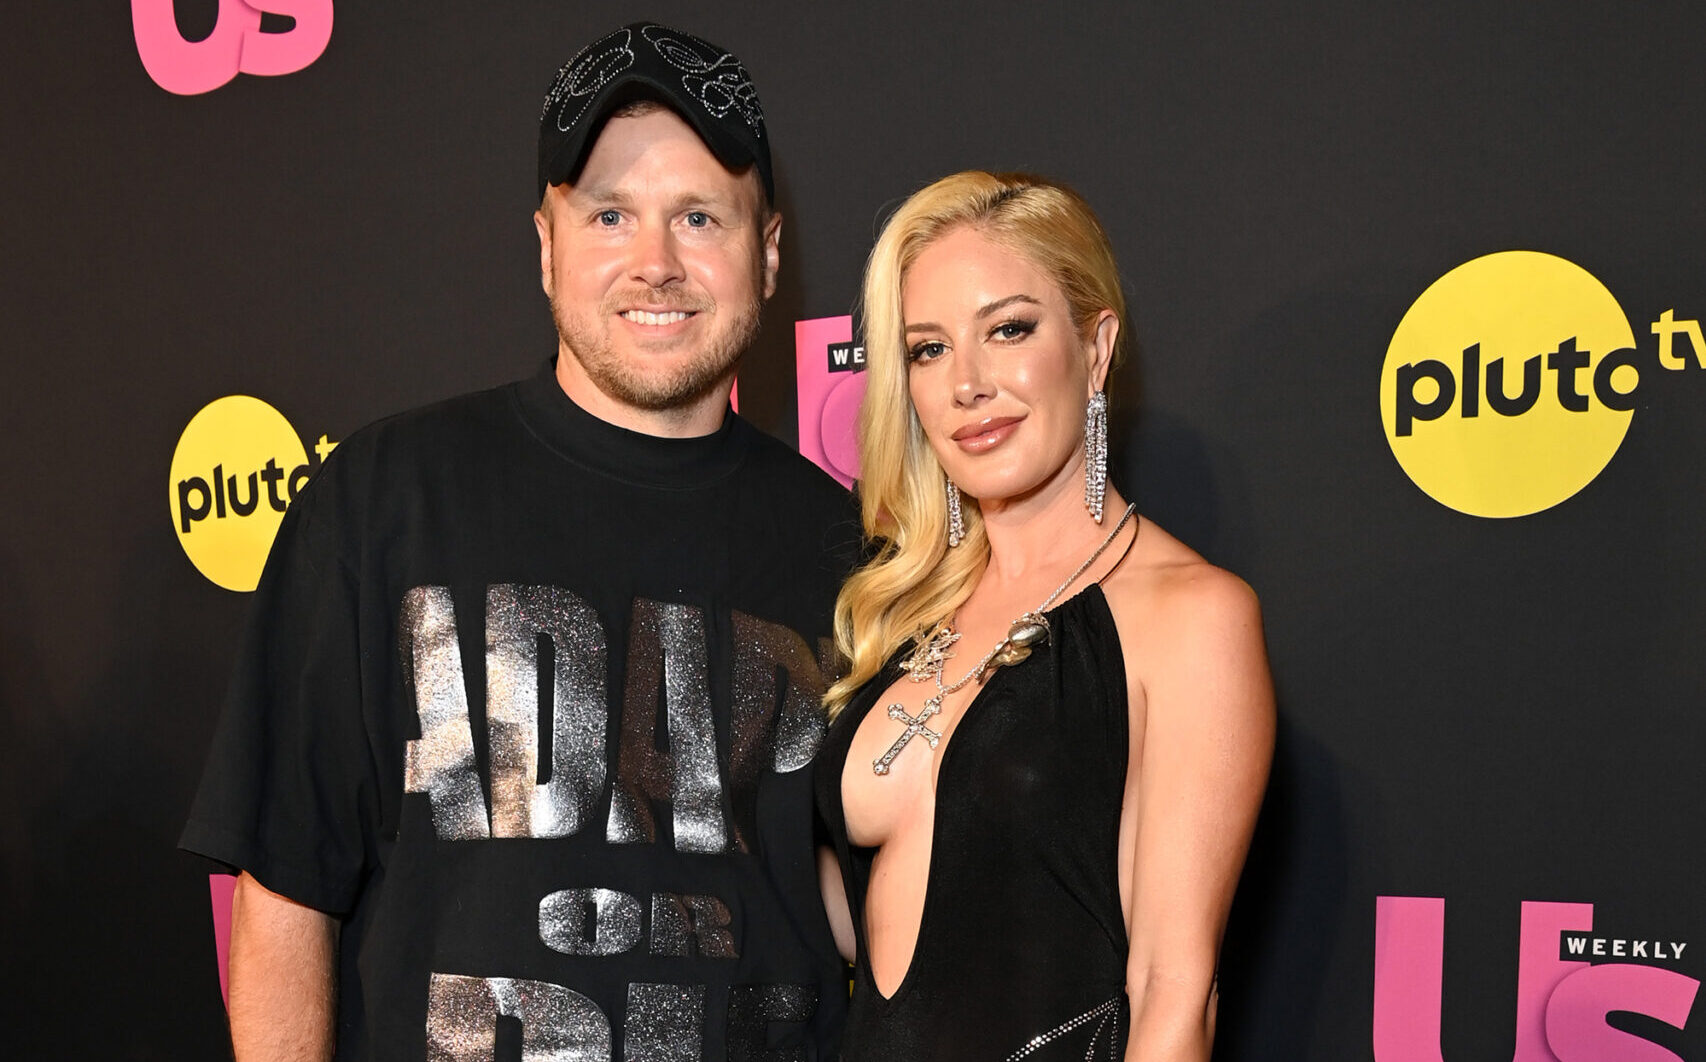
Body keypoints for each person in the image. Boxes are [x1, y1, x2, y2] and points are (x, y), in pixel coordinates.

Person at [181, 22, 855, 1061]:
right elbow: (285, 892)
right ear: (545, 246)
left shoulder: (850, 554)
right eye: (610, 215)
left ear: (766, 254)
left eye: (699, 217)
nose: (655, 263)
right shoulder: (384, 494)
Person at [814, 171, 1275, 1061]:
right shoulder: (904, 615)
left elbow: (1174, 996)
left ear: (1095, 348)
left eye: (1009, 330)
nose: (968, 385)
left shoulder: (1191, 617)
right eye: (928, 350)